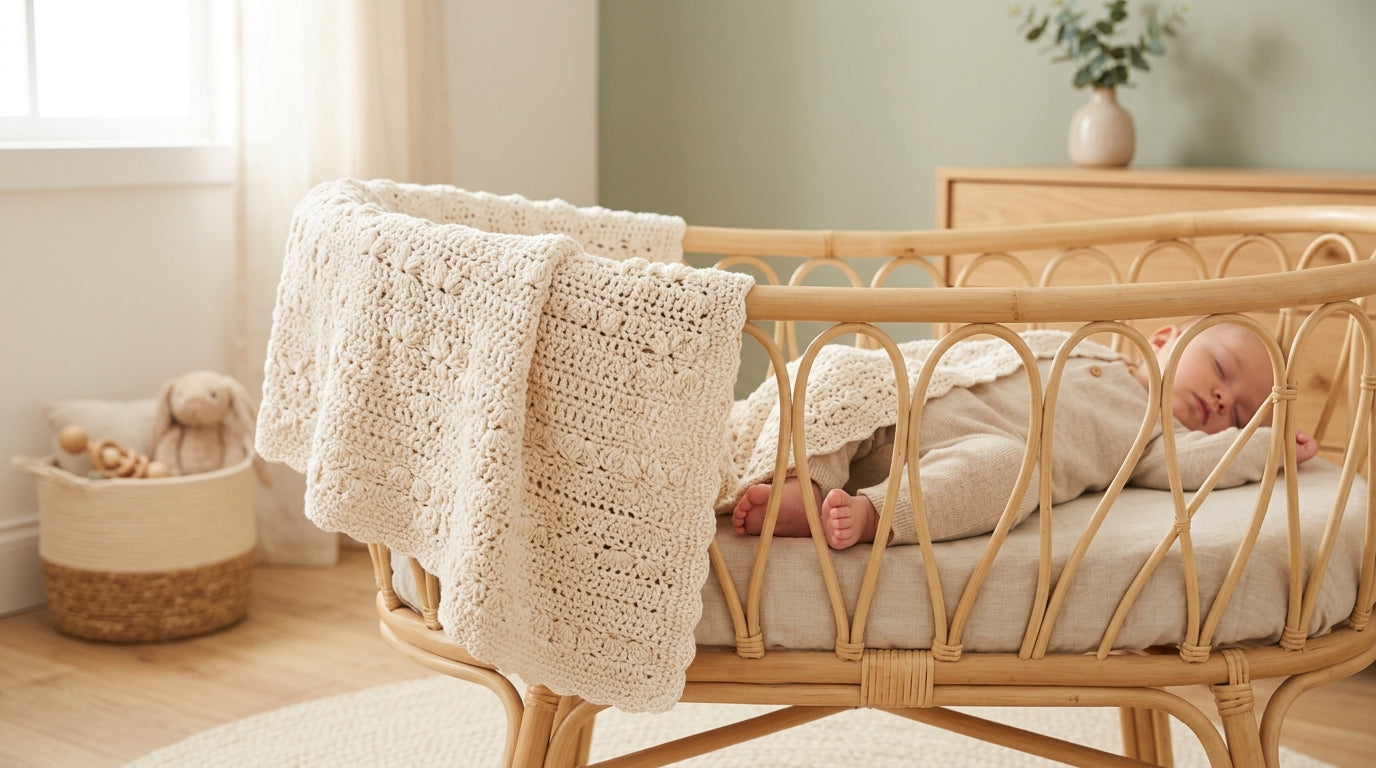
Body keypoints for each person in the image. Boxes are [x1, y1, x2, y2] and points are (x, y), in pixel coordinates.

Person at [730, 321, 1319, 550]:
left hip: (973, 450)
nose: (1221, 400)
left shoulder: (1150, 438)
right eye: (1220, 371)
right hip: (909, 398)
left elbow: (1200, 467)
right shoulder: (1085, 335)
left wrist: (1268, 446)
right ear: (1164, 338)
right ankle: (802, 480)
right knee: (839, 366)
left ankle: (866, 514)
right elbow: (985, 346)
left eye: (1238, 411)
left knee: (1013, 472)